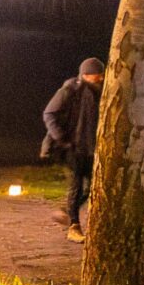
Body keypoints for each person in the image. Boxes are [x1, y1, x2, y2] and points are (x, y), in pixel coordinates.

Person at [41, 57, 105, 242]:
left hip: (90, 148)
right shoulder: (71, 90)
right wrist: (62, 138)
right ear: (86, 74)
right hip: (71, 146)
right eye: (97, 74)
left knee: (94, 186)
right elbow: (49, 113)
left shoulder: (100, 92)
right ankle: (74, 227)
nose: (101, 78)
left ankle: (67, 211)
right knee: (76, 185)